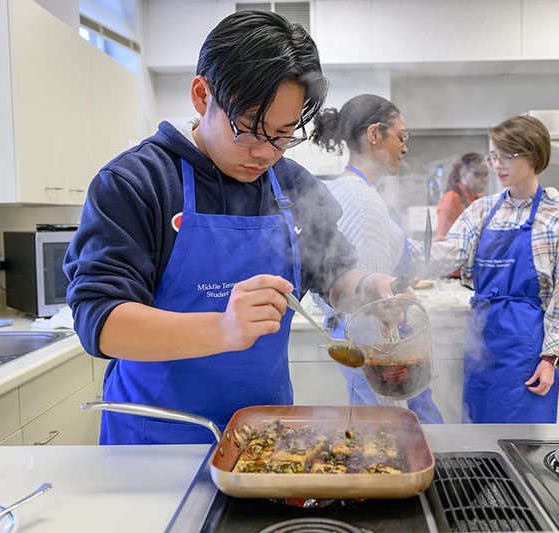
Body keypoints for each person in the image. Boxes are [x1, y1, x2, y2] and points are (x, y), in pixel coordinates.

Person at [63, 11, 403, 445]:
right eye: (248, 131)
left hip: (268, 437)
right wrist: (222, 329)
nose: (264, 153)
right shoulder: (137, 183)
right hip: (155, 442)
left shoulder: (294, 184)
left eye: (282, 135)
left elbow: (334, 277)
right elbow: (101, 321)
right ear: (203, 96)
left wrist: (365, 291)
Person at [309, 94, 460, 424]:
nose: (405, 148)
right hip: (383, 363)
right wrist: (392, 395)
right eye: (401, 136)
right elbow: (369, 309)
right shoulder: (362, 203)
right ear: (374, 134)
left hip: (373, 354)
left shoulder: (348, 192)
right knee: (406, 446)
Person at [445, 115, 559, 423]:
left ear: (534, 155)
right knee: (476, 435)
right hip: (481, 340)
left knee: (520, 442)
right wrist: (404, 256)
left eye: (507, 156)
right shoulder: (482, 210)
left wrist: (550, 358)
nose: (497, 165)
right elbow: (449, 252)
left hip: (525, 348)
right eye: (493, 156)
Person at [436, 153, 488, 237]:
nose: (485, 179)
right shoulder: (452, 199)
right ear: (463, 174)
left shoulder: (481, 199)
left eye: (486, 174)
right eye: (478, 174)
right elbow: (444, 239)